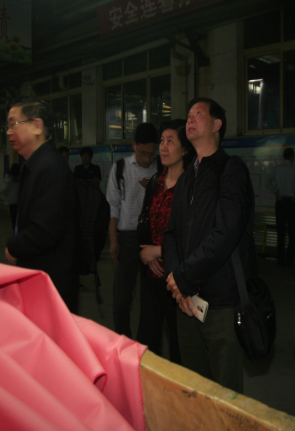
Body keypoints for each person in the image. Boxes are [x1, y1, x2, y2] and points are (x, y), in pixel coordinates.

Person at [164, 98, 255, 394]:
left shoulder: (231, 170)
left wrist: (184, 277)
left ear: (217, 125)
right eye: (188, 114)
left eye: (198, 114)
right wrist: (177, 280)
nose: (190, 119)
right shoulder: (186, 177)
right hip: (185, 301)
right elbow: (171, 234)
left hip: (220, 302)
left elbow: (225, 233)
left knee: (223, 394)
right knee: (193, 388)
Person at [4, 96, 81, 312]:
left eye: (14, 124)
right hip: (39, 275)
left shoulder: (51, 167)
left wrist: (14, 246)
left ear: (37, 126)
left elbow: (45, 231)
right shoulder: (35, 165)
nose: (9, 132)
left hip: (52, 282)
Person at [137, 119, 195, 364]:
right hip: (152, 275)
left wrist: (158, 251)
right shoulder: (155, 182)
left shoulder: (192, 185)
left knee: (179, 343)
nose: (163, 147)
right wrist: (148, 256)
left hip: (177, 278)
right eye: (162, 141)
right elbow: (145, 222)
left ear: (185, 149)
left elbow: (194, 236)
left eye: (170, 141)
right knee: (148, 339)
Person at [105, 123, 159, 337]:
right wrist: (113, 240)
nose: (147, 159)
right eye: (143, 153)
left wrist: (154, 187)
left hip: (152, 240)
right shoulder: (120, 168)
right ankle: (123, 340)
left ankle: (147, 343)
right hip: (127, 239)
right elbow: (113, 206)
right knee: (121, 298)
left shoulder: (160, 169)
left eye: (151, 154)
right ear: (134, 145)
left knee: (151, 298)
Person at [266, 147, 295, 267]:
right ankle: (290, 261)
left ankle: (280, 260)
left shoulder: (277, 169)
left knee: (280, 233)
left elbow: (267, 181)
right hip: (292, 202)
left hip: (280, 202)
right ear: (292, 157)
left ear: (284, 156)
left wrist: (275, 191)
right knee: (291, 233)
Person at [1, 163, 20, 232]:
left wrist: (6, 200)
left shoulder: (9, 179)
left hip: (12, 203)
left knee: (14, 219)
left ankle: (15, 233)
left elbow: (4, 190)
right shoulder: (20, 179)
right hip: (19, 202)